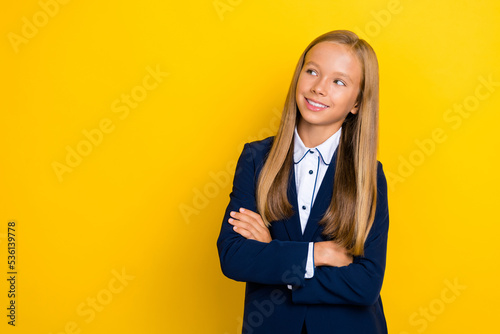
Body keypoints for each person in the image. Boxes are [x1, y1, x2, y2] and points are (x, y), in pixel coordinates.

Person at [216, 30, 389, 334]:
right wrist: (316, 255)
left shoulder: (369, 175)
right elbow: (234, 257)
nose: (319, 88)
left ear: (357, 103)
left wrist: (274, 253)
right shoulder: (257, 159)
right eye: (312, 71)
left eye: (339, 81)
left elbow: (365, 284)